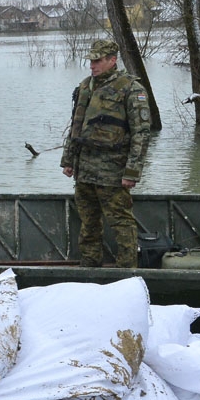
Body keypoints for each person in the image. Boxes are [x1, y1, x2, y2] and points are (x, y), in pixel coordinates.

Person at [60, 39, 151, 268]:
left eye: (98, 60)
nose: (92, 65)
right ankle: (90, 266)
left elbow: (141, 134)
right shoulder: (85, 87)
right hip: (85, 169)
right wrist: (68, 160)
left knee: (121, 222)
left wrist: (132, 172)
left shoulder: (131, 88)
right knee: (88, 222)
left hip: (113, 170)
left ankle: (126, 270)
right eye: (91, 60)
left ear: (112, 60)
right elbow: (76, 125)